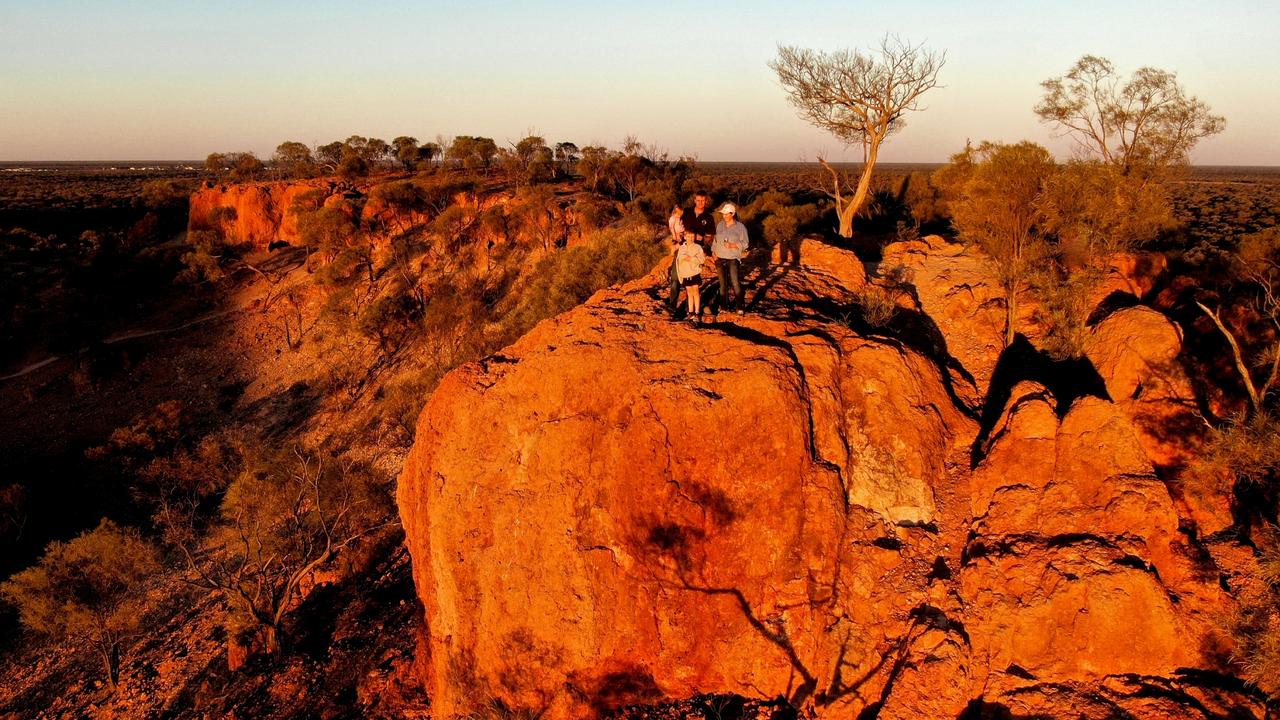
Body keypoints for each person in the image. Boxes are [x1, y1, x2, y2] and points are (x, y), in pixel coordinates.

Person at [712, 203, 749, 314]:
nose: (724, 216)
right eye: (723, 214)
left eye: (726, 214)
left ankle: (740, 306)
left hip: (733, 258)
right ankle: (724, 307)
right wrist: (713, 252)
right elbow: (715, 240)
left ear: (732, 214)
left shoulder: (740, 227)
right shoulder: (720, 225)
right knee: (722, 284)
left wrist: (733, 245)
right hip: (719, 258)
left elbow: (746, 243)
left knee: (735, 282)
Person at [675, 227, 706, 324]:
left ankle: (697, 312)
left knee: (696, 291)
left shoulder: (698, 247)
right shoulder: (682, 248)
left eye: (692, 236)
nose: (691, 238)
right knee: (689, 293)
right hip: (685, 273)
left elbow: (701, 259)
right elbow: (679, 260)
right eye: (689, 236)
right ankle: (690, 312)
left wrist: (691, 259)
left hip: (695, 273)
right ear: (685, 237)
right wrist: (685, 258)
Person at [665, 205, 685, 312]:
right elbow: (673, 232)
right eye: (678, 213)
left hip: (684, 247)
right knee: (675, 278)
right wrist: (676, 241)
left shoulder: (682, 219)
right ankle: (673, 305)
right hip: (678, 245)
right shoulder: (672, 219)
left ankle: (689, 307)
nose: (680, 215)